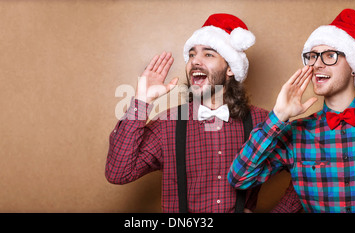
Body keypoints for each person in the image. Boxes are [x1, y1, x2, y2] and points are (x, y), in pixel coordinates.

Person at [106, 13, 302, 213]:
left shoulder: (263, 122)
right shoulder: (168, 124)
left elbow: (306, 172)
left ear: (230, 69)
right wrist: (141, 101)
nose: (195, 61)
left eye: (208, 54)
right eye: (192, 55)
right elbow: (118, 173)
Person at [228, 9, 355, 213]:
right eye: (312, 57)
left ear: (353, 66)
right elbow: (239, 178)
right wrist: (278, 116)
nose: (317, 64)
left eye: (329, 56)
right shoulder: (296, 132)